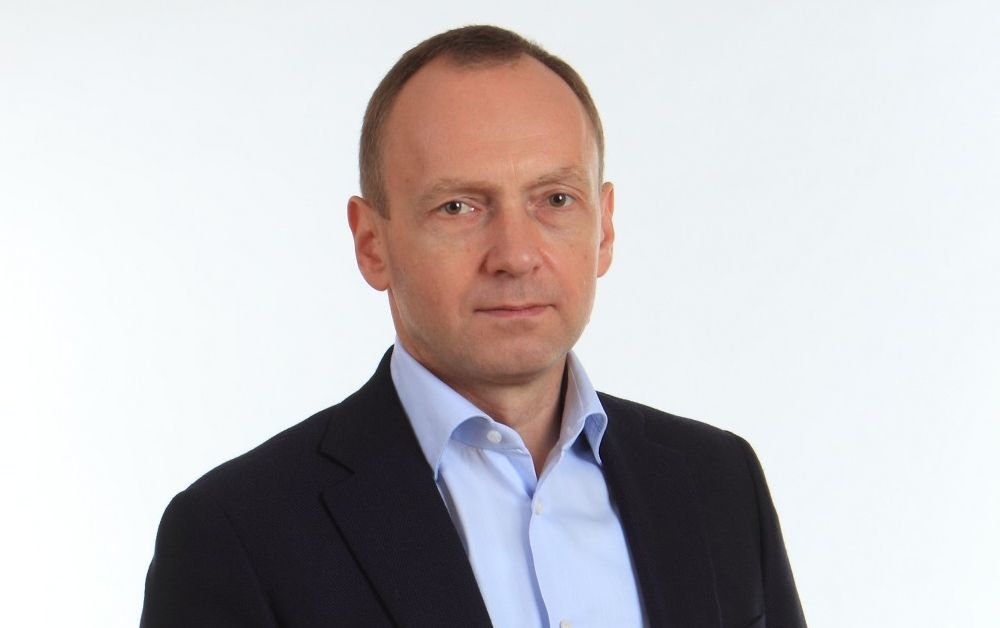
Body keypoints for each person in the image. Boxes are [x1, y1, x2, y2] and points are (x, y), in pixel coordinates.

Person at [141, 25, 806, 628]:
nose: (515, 255)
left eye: (555, 199)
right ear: (372, 243)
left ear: (604, 228)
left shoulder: (719, 483)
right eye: (458, 206)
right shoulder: (238, 536)